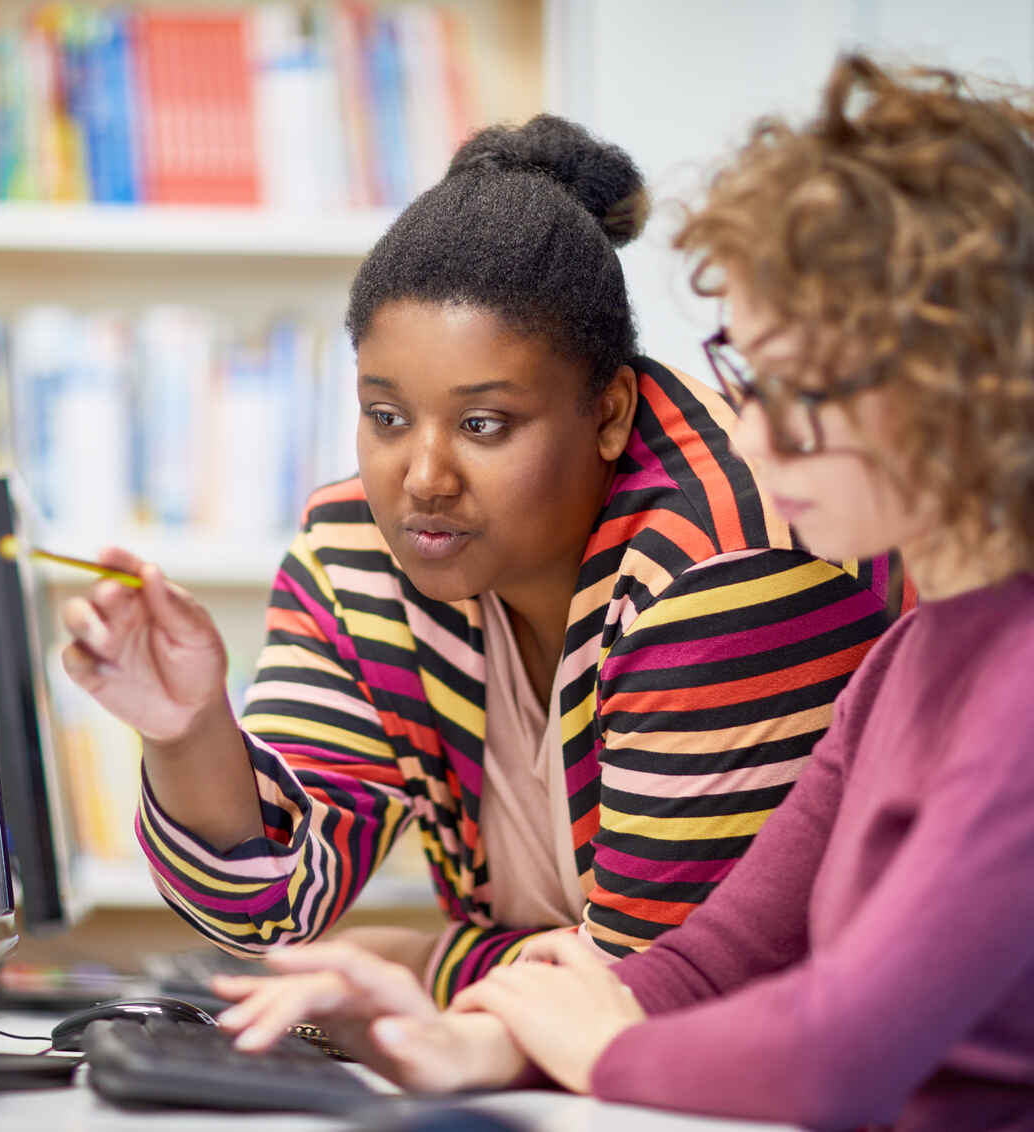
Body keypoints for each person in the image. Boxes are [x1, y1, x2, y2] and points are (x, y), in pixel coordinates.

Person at [211, 55, 1034, 1131]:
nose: (752, 431)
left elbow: (832, 1054)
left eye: (799, 387)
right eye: (748, 375)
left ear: (962, 381)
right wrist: (464, 1035)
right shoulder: (911, 660)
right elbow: (704, 964)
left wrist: (584, 1039)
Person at [61, 113, 911, 1008]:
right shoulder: (360, 546)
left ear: (611, 413)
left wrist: (422, 965)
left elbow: (658, 995)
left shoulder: (725, 561)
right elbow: (270, 904)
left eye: (483, 425)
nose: (421, 479)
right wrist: (190, 732)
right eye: (386, 416)